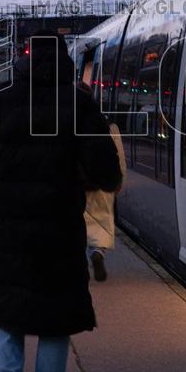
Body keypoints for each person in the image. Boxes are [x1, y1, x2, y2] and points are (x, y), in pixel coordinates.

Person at [0, 34, 123, 372]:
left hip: (7, 230)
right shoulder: (80, 105)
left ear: (22, 59)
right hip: (60, 230)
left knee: (4, 306)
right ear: (64, 60)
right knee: (56, 319)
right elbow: (109, 173)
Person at [78, 82, 126, 282]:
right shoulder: (107, 125)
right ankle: (98, 252)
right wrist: (119, 179)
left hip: (77, 185)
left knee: (78, 224)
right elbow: (118, 156)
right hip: (103, 183)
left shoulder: (63, 124)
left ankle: (78, 262)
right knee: (102, 221)